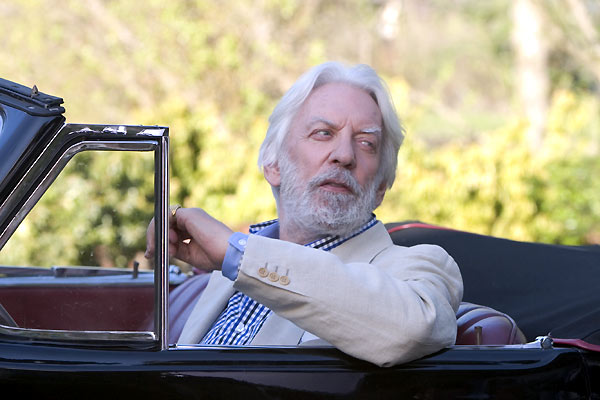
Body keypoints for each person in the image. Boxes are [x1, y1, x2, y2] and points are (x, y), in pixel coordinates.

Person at [145, 61, 463, 367]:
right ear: (273, 164)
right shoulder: (229, 270)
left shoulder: (420, 269)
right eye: (323, 133)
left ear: (381, 186)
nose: (344, 155)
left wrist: (239, 256)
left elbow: (411, 330)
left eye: (366, 143)